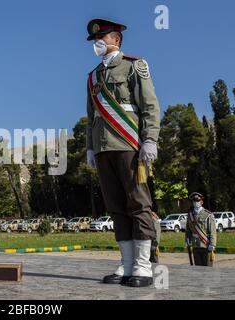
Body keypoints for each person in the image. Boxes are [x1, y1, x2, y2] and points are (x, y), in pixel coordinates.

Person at [85, 19, 161, 287]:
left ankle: (143, 265)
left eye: (101, 38)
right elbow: (91, 115)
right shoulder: (93, 76)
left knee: (138, 204)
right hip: (105, 149)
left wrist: (150, 139)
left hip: (129, 145)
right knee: (116, 207)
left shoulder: (133, 66)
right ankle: (127, 263)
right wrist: (91, 148)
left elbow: (150, 105)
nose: (97, 43)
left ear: (116, 39)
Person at [185, 192, 217, 267]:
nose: (196, 203)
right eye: (194, 201)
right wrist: (187, 239)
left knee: (207, 269)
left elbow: (212, 231)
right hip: (195, 245)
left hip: (206, 245)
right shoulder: (190, 215)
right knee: (198, 269)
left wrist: (212, 244)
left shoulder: (208, 215)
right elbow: (188, 230)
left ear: (202, 202)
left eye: (198, 200)